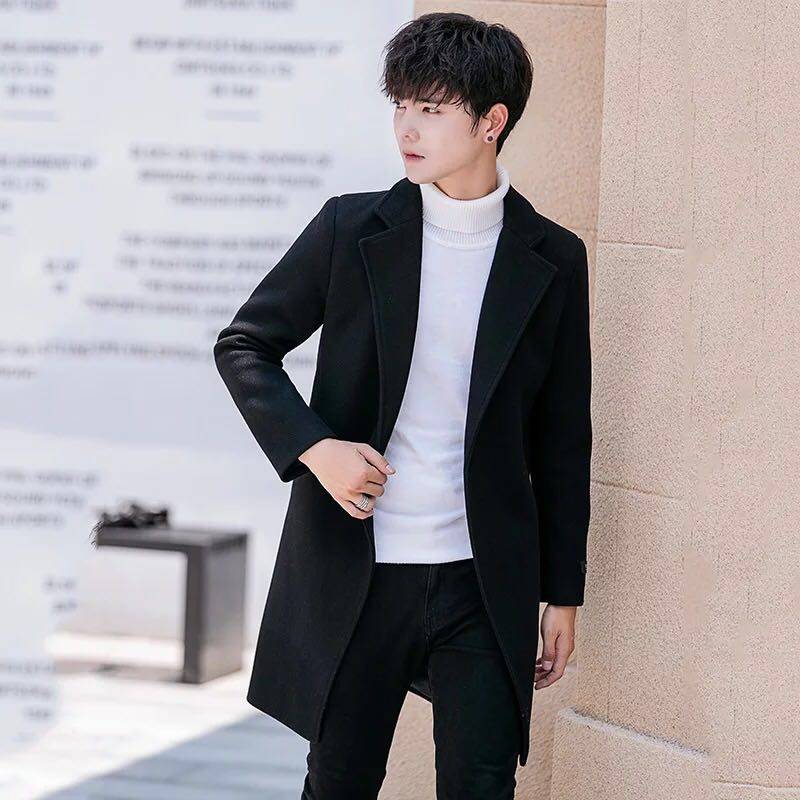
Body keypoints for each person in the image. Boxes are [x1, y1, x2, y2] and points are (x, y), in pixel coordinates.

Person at [214, 11, 592, 799]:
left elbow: (563, 438)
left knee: (481, 785)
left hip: (480, 580)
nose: (406, 128)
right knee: (341, 782)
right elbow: (245, 345)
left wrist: (563, 593)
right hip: (360, 574)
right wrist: (317, 449)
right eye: (401, 105)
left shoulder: (552, 258)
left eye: (431, 108)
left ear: (491, 122)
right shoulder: (352, 229)